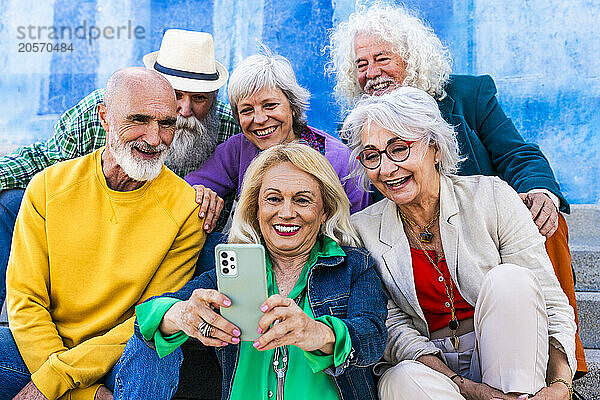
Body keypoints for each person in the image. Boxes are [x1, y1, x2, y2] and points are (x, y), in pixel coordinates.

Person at [328, 3, 586, 375]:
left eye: (382, 59)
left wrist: (539, 192)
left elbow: (517, 152)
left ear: (411, 57)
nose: (372, 73)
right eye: (361, 64)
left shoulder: (467, 95)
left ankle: (564, 363)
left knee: (548, 222)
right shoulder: (361, 124)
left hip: (483, 225)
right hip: (410, 237)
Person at [345, 88, 576, 400]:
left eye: (399, 148)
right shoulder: (362, 230)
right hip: (428, 366)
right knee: (400, 379)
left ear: (436, 148)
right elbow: (392, 328)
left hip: (507, 352)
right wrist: (466, 387)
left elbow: (550, 301)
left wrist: (561, 384)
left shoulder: (492, 196)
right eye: (372, 156)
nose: (386, 169)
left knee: (511, 281)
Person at [112, 143, 388, 400]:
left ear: (325, 211)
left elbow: (373, 337)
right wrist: (181, 315)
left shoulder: (353, 266)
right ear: (256, 208)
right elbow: (146, 319)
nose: (287, 212)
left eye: (302, 200)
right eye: (273, 199)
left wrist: (317, 333)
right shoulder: (231, 269)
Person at [0, 67, 204, 400]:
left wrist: (54, 381)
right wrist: (78, 393)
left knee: (156, 352)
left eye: (166, 123)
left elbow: (148, 316)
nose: (155, 138)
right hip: (45, 351)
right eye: (139, 120)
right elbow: (26, 302)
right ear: (104, 117)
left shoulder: (185, 209)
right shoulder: (48, 188)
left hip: (121, 357)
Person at [0, 29, 239, 309]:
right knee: (9, 204)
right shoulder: (101, 110)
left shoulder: (226, 128)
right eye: (176, 94)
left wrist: (204, 196)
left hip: (169, 247)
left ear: (214, 98)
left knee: (219, 250)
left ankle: (177, 333)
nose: (184, 110)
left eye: (199, 98)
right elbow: (45, 158)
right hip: (92, 233)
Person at [185, 52, 371, 218]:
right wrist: (201, 192)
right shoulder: (239, 149)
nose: (259, 119)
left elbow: (355, 228)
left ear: (293, 107)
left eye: (270, 106)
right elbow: (189, 188)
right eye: (247, 110)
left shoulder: (339, 159)